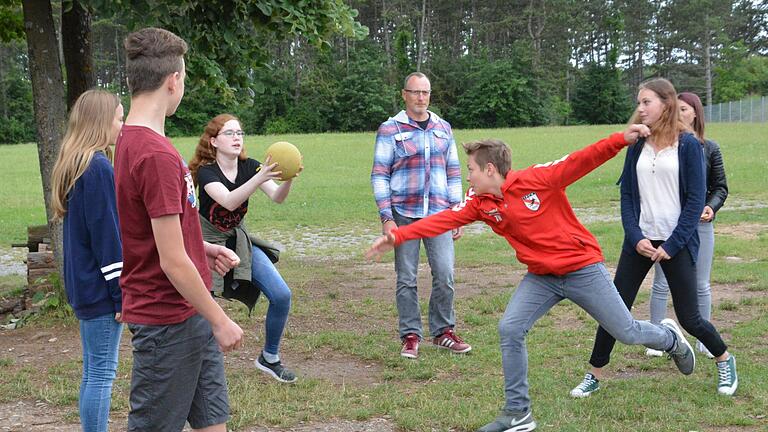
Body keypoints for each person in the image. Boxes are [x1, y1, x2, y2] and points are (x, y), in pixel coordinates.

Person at [367, 125, 694, 432]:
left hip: (581, 267)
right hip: (542, 277)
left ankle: (670, 339)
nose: (468, 175)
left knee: (627, 332)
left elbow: (582, 158)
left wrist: (621, 138)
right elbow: (444, 220)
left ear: (490, 170)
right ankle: (518, 413)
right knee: (510, 327)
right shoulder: (480, 202)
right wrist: (398, 237)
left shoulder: (539, 179)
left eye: (471, 169)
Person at [570, 78, 737, 400]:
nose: (640, 108)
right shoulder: (637, 145)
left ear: (666, 103)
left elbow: (694, 201)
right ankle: (594, 374)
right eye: (639, 102)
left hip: (677, 243)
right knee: (613, 309)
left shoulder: (689, 145)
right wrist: (635, 237)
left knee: (690, 317)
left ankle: (724, 359)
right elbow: (628, 196)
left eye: (647, 102)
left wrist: (672, 245)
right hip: (640, 241)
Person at [114, 27, 244, 432]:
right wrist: (219, 319)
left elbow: (158, 232)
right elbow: (170, 260)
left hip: (190, 312)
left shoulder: (134, 141)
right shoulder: (153, 155)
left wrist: (201, 246)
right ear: (173, 81)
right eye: (184, 77)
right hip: (167, 321)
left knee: (213, 424)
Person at [189, 114, 299, 383]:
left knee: (281, 294)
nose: (237, 137)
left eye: (240, 132)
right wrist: (259, 177)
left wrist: (288, 177)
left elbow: (277, 197)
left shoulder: (250, 167)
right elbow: (227, 200)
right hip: (207, 243)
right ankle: (200, 368)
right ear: (214, 141)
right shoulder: (207, 172)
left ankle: (269, 358)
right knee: (204, 308)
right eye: (229, 133)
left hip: (239, 240)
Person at [371, 72, 470, 359]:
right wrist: (386, 217)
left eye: (425, 92)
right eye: (415, 92)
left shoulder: (443, 127)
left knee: (445, 273)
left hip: (439, 214)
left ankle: (443, 332)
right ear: (404, 94)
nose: (421, 97)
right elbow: (379, 175)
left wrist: (458, 212)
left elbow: (453, 171)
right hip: (404, 213)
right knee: (406, 277)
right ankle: (411, 335)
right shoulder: (391, 129)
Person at [50, 89, 124, 432]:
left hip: (83, 287)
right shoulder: (97, 167)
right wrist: (120, 293)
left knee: (92, 371)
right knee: (101, 374)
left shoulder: (76, 164)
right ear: (101, 122)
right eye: (119, 118)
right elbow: (106, 239)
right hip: (99, 291)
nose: (122, 125)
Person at [644, 92, 728, 360]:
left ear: (695, 113)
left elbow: (721, 187)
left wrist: (710, 206)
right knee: (660, 283)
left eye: (683, 109)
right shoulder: (665, 146)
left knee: (701, 284)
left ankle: (705, 339)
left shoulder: (709, 148)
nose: (677, 113)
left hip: (700, 225)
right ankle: (655, 336)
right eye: (674, 109)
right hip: (669, 226)